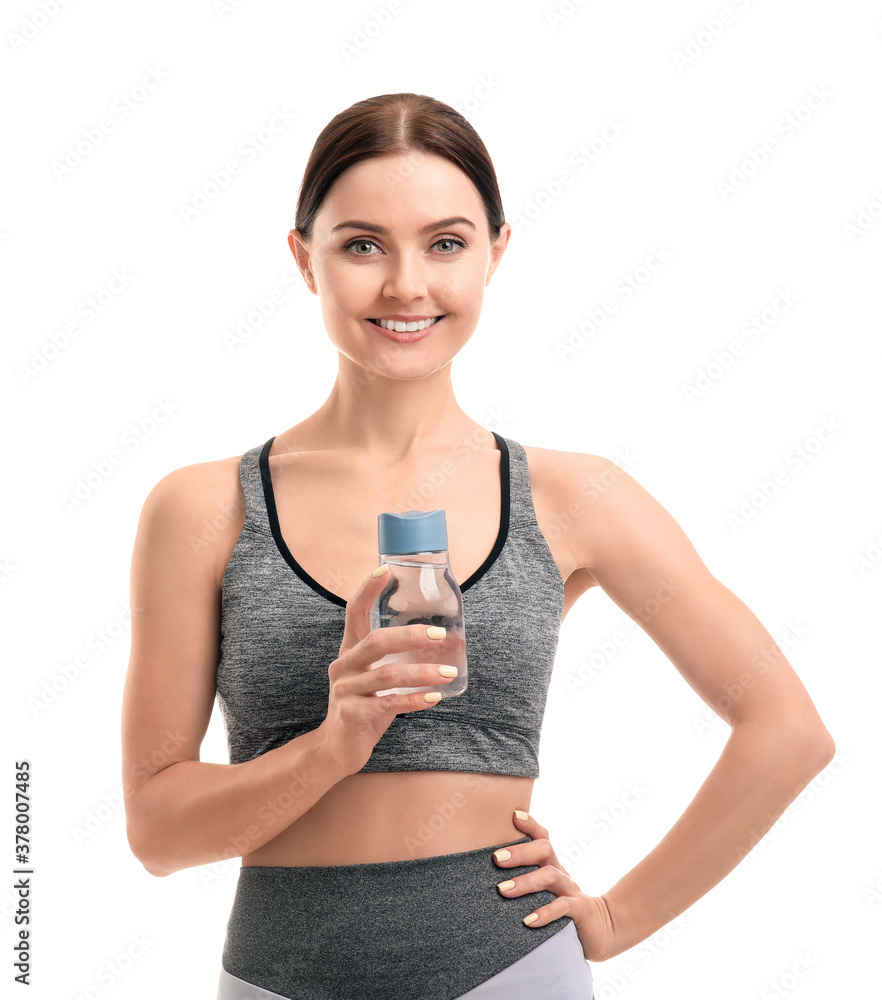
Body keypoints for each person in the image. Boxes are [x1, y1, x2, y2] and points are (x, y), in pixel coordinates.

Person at [120, 92, 836, 999]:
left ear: (497, 252)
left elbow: (787, 732)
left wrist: (619, 918)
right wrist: (331, 747)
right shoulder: (202, 509)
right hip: (275, 978)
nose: (406, 285)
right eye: (362, 244)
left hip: (506, 973)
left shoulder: (573, 497)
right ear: (305, 259)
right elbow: (156, 833)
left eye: (446, 243)